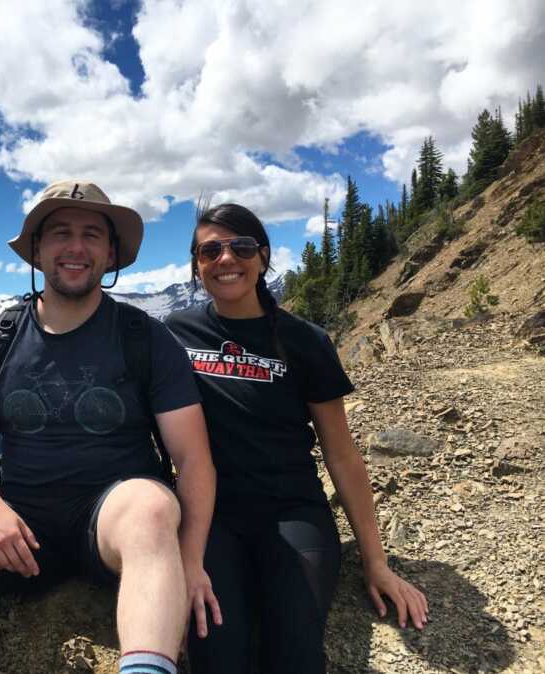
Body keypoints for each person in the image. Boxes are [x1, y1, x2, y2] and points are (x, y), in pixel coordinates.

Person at [0, 180, 218, 674]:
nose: (75, 247)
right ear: (37, 250)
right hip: (15, 528)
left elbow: (192, 458)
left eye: (91, 235)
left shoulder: (144, 338)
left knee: (149, 507)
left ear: (110, 253)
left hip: (112, 522)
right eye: (60, 233)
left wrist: (189, 562)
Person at [165, 203, 429, 674]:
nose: (226, 259)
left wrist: (376, 562)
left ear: (263, 258)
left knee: (295, 651)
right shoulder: (175, 333)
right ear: (197, 265)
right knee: (218, 651)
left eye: (241, 246)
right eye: (210, 251)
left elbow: (341, 454)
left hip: (292, 511)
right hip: (211, 517)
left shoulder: (304, 340)